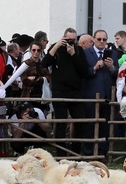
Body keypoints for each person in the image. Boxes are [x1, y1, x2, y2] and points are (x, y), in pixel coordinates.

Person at [42, 27, 88, 156]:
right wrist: (56, 46)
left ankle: (75, 152)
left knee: (80, 122)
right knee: (60, 123)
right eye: (68, 40)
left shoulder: (79, 50)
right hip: (59, 91)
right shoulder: (56, 49)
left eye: (74, 40)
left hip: (75, 92)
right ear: (63, 38)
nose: (71, 42)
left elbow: (84, 70)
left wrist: (73, 53)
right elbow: (44, 63)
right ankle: (61, 153)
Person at [81, 29, 119, 156]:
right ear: (93, 40)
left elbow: (116, 74)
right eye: (99, 39)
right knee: (89, 125)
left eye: (104, 39)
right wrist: (94, 68)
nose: (102, 42)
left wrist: (111, 67)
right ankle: (88, 152)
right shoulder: (86, 53)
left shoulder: (113, 54)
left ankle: (103, 152)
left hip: (107, 94)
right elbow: (82, 72)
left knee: (105, 126)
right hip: (91, 94)